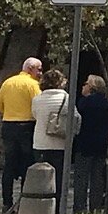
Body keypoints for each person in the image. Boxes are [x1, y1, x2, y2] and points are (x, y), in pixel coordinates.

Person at [0, 57, 43, 214]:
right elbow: (38, 107)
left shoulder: (8, 82)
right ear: (30, 69)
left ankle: (6, 203)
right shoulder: (33, 85)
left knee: (9, 165)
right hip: (27, 126)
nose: (40, 73)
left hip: (8, 125)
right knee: (27, 165)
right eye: (39, 69)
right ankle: (24, 202)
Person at [71, 73, 108, 214]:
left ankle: (79, 209)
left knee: (81, 179)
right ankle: (95, 209)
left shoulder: (84, 103)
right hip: (100, 145)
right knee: (97, 179)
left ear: (92, 87)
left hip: (84, 145)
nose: (83, 86)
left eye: (85, 84)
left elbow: (77, 123)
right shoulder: (107, 104)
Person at [31, 68, 72, 198]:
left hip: (41, 142)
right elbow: (76, 117)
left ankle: (42, 202)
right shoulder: (67, 99)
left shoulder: (37, 99)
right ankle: (57, 204)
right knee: (59, 176)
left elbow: (35, 115)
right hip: (60, 143)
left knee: (42, 176)